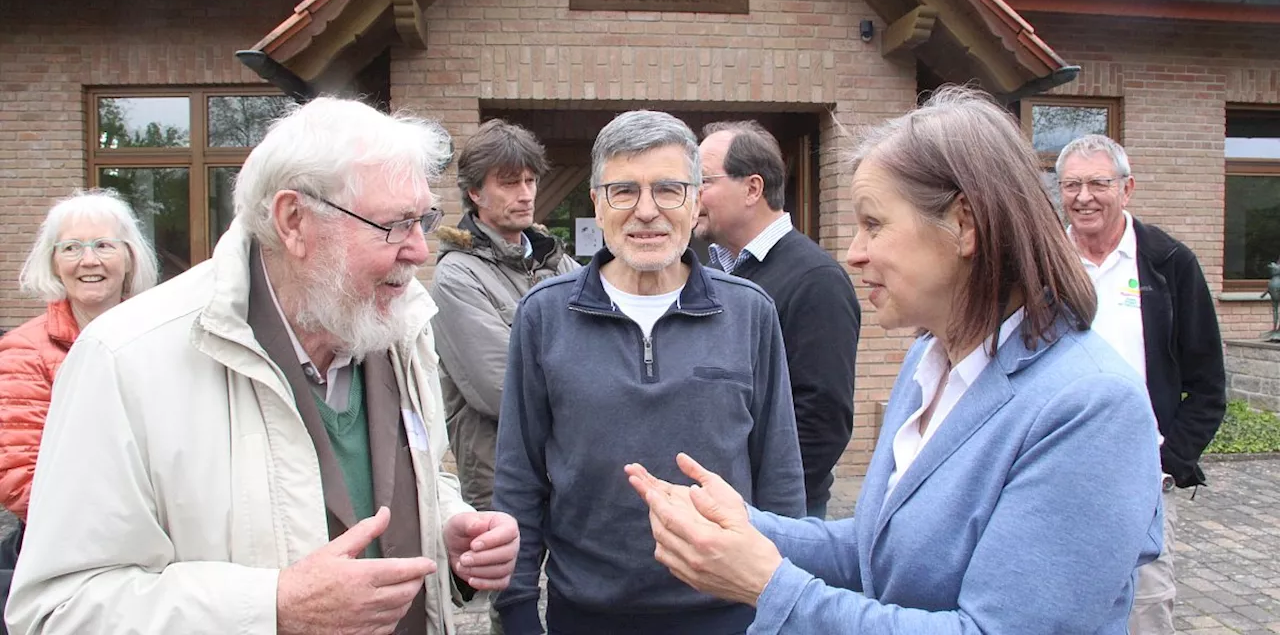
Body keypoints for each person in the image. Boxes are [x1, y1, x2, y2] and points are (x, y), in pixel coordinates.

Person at [625, 87, 1164, 634]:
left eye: (874, 224)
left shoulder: (1090, 408)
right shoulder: (930, 365)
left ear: (965, 225)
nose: (855, 252)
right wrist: (749, 527)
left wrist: (769, 586)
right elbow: (874, 548)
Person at [6, 97, 518, 635]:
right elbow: (55, 610)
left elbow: (413, 474)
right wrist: (271, 606)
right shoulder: (124, 358)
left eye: (424, 220)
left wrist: (452, 526)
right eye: (395, 225)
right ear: (293, 221)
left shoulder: (396, 323)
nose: (419, 250)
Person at [492, 110, 805, 635]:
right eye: (623, 191)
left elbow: (779, 475)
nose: (646, 212)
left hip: (727, 613)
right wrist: (517, 604)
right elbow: (519, 476)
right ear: (596, 202)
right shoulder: (544, 316)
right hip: (586, 615)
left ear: (694, 200)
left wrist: (784, 599)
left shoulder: (750, 312)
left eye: (668, 189)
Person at [1056, 133, 1226, 635]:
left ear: (1127, 189)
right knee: (1056, 598)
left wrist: (1168, 464)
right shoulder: (1042, 262)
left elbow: (1208, 383)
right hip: (1055, 466)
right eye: (1071, 185)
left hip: (1140, 476)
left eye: (1097, 183)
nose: (1083, 196)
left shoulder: (1170, 263)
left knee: (1144, 607)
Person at [0, 190, 158, 629]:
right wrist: (129, 529)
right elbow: (18, 476)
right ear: (53, 264)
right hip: (68, 557)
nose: (89, 260)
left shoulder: (162, 337)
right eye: (71, 248)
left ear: (129, 258)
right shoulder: (24, 350)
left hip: (161, 550)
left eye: (104, 245)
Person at [696, 120, 860, 518]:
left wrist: (764, 510)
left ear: (752, 188)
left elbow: (821, 421)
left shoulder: (815, 280)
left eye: (702, 181)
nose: (689, 194)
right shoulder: (713, 272)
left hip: (770, 520)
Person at [431, 119, 578, 513]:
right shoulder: (456, 275)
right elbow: (501, 389)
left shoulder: (557, 260)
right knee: (513, 577)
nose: (526, 194)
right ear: (475, 192)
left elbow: (610, 345)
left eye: (530, 181)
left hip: (571, 468)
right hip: (502, 478)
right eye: (510, 183)